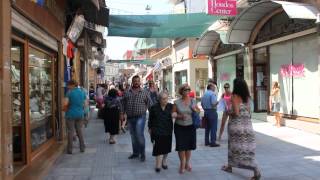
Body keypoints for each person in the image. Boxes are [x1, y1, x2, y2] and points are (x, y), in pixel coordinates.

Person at [221, 78, 261, 180]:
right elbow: (249, 113)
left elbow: (236, 113)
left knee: (234, 147)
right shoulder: (247, 97)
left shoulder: (234, 96)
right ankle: (230, 166)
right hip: (247, 126)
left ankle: (256, 169)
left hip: (236, 126)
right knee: (246, 148)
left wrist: (228, 112)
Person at [121, 75, 152, 162]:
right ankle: (135, 153)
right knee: (133, 136)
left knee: (139, 134)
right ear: (132, 82)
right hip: (130, 117)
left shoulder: (145, 92)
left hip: (141, 117)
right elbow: (123, 104)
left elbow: (150, 104)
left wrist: (153, 116)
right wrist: (122, 114)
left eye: (138, 81)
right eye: (135, 81)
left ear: (140, 82)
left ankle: (142, 154)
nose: (136, 82)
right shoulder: (127, 92)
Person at [173, 84, 199, 174]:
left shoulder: (193, 101)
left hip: (191, 126)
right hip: (179, 126)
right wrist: (180, 116)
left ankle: (187, 163)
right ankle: (182, 164)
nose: (187, 91)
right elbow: (173, 114)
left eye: (188, 89)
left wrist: (195, 110)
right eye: (185, 90)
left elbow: (198, 111)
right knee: (181, 146)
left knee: (188, 147)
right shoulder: (176, 102)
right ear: (181, 91)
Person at [148, 91, 174, 173]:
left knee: (166, 147)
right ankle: (158, 164)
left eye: (166, 98)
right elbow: (150, 119)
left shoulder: (171, 106)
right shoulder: (154, 107)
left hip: (167, 130)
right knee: (158, 147)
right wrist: (150, 128)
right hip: (157, 130)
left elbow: (178, 111)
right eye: (163, 99)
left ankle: (164, 161)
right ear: (159, 99)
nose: (165, 100)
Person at [63, 80, 87, 154]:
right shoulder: (82, 92)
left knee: (70, 131)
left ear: (72, 85)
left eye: (68, 85)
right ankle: (82, 148)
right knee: (79, 130)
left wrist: (64, 107)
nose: (67, 87)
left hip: (70, 114)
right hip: (80, 114)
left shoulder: (69, 92)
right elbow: (85, 104)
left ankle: (70, 149)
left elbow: (65, 103)